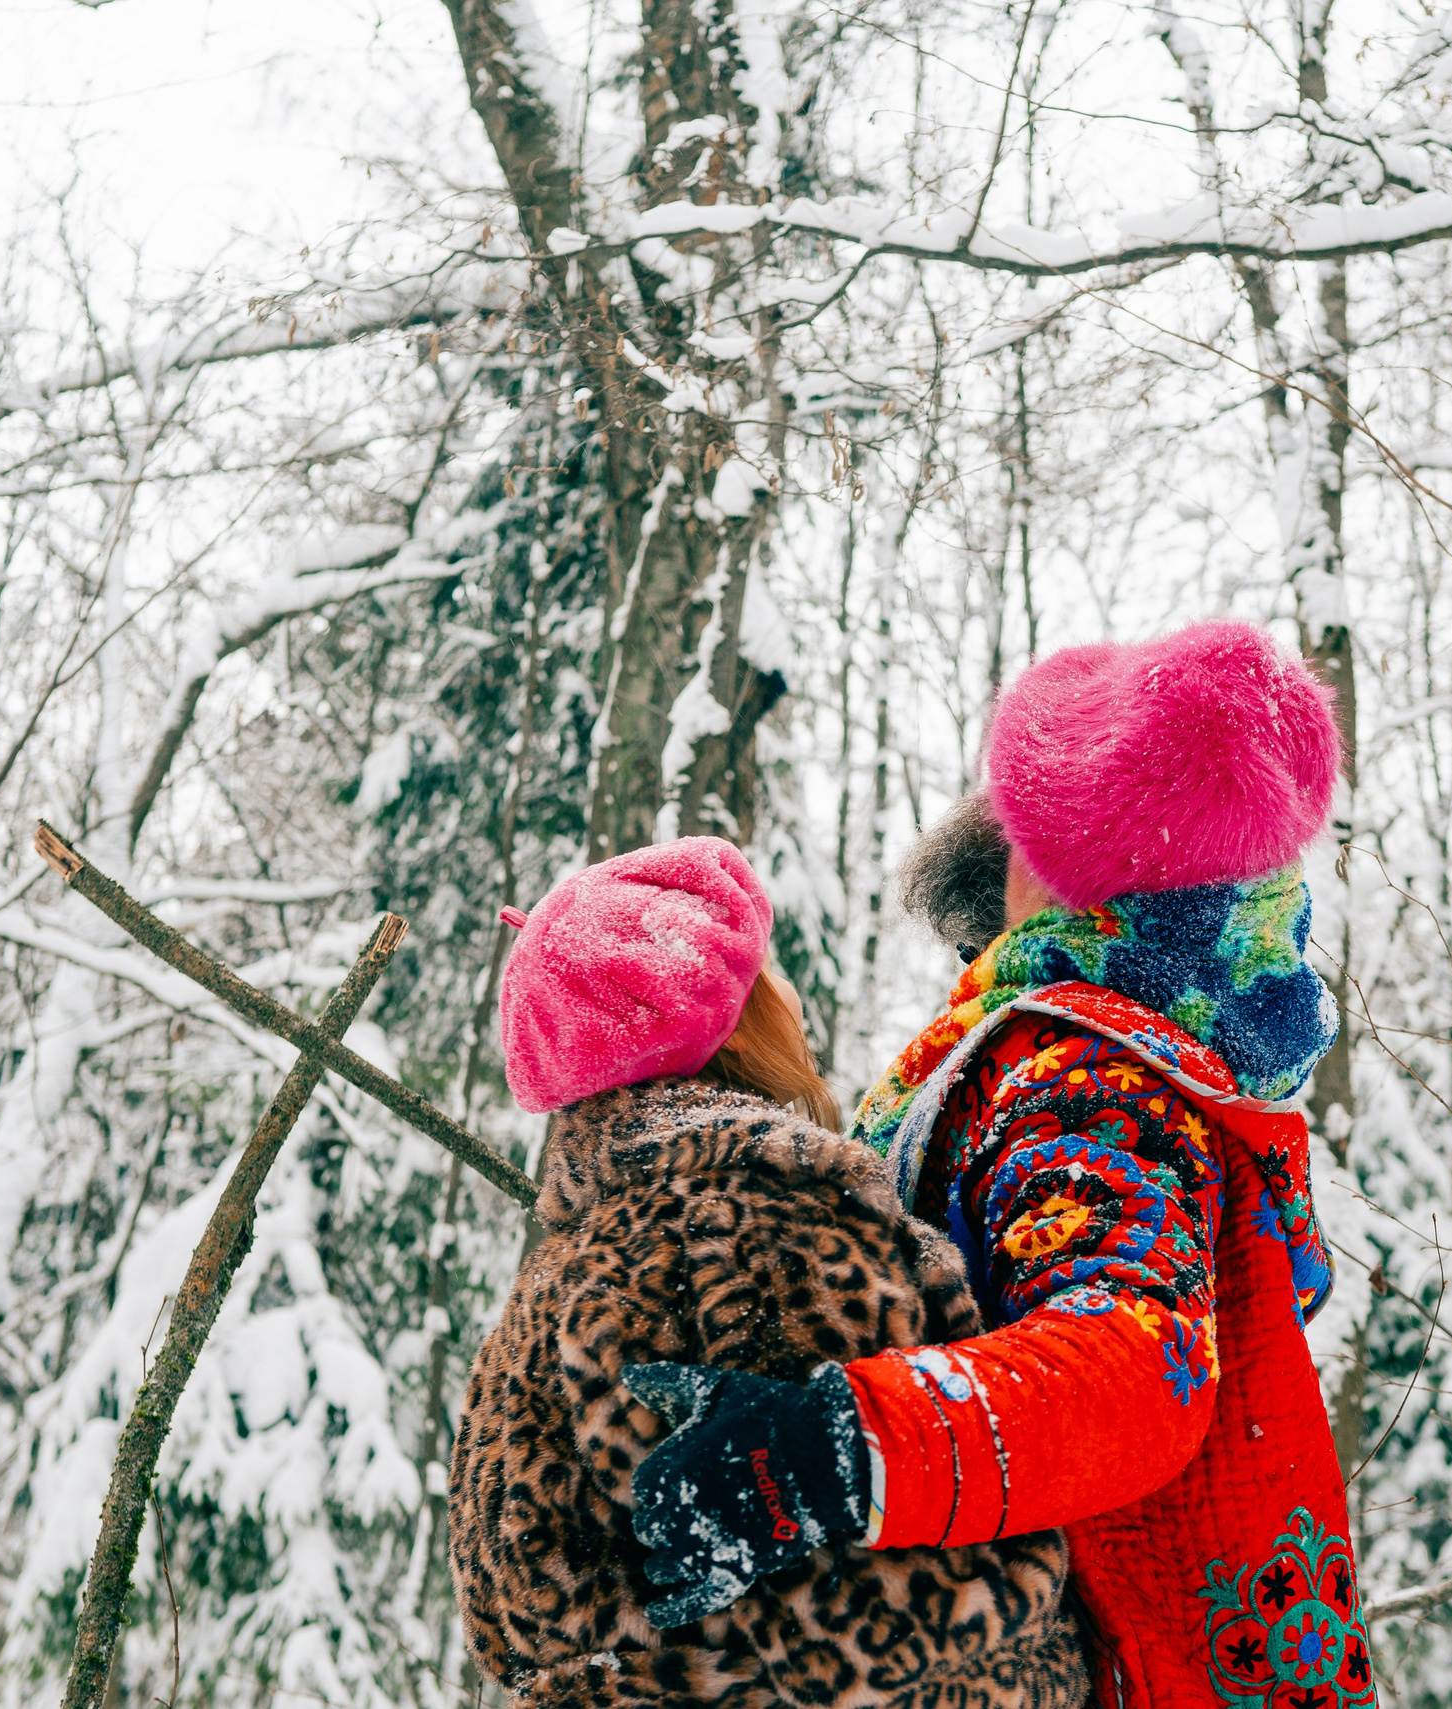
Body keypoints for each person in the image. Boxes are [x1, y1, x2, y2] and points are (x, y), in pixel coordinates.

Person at [625, 623, 1377, 1709]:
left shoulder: (1084, 1074)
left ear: (1061, 866)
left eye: (1019, 818)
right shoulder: (1160, 1049)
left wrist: (835, 1449)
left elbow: (1136, 1360)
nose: (993, 833)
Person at [448, 837, 1090, 1709]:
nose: (791, 997)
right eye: (766, 973)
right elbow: (856, 1625)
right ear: (727, 1020)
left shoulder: (556, 1275)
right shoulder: (746, 1229)